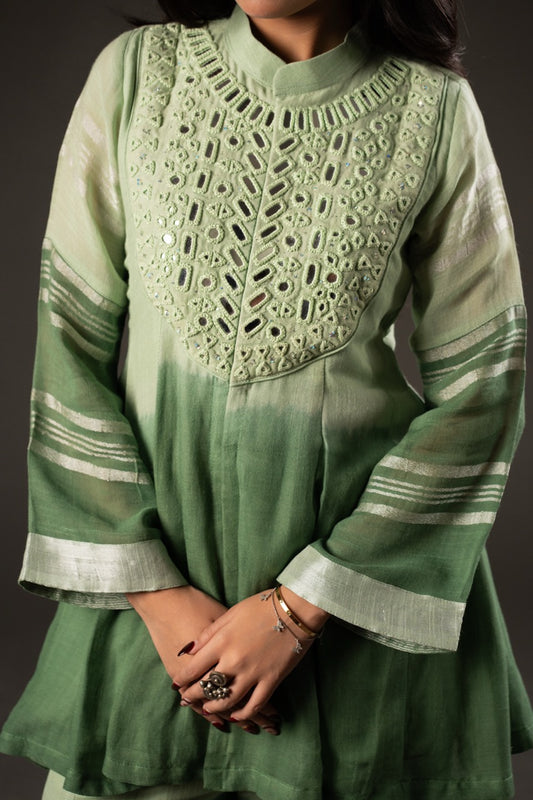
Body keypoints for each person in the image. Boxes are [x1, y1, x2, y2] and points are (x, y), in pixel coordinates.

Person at [0, 0, 532, 798]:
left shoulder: (433, 110)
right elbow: (67, 343)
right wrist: (161, 601)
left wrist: (299, 611)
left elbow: (485, 385)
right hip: (154, 607)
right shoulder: (138, 74)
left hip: (355, 613)